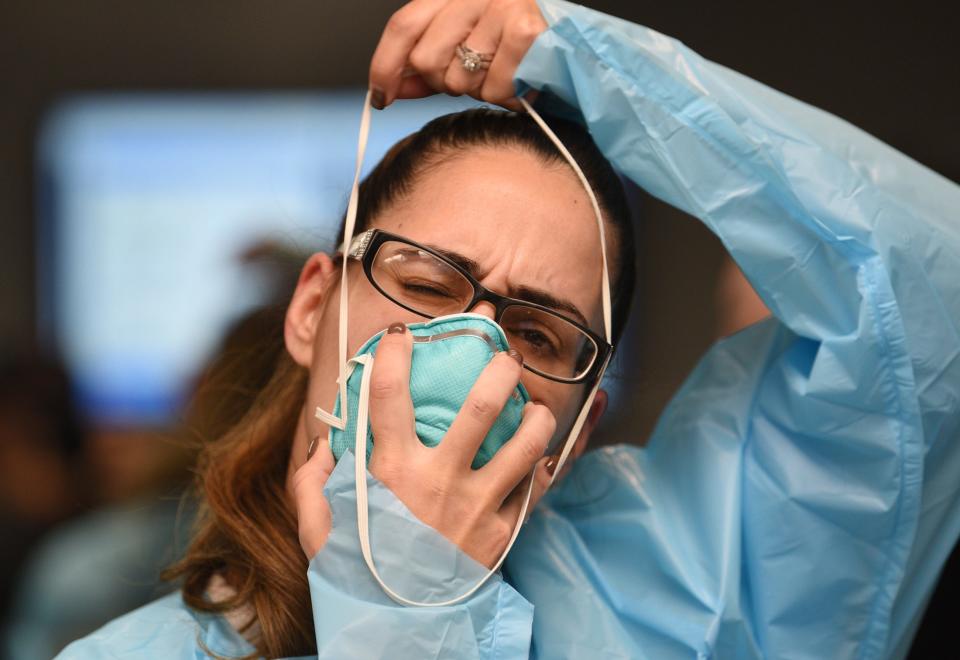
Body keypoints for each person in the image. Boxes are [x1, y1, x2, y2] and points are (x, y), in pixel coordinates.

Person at [59, 0, 960, 658]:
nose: (475, 353)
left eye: (537, 334)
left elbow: (927, 313)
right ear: (310, 310)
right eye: (428, 282)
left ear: (574, 434)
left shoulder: (689, 601)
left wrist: (596, 65)